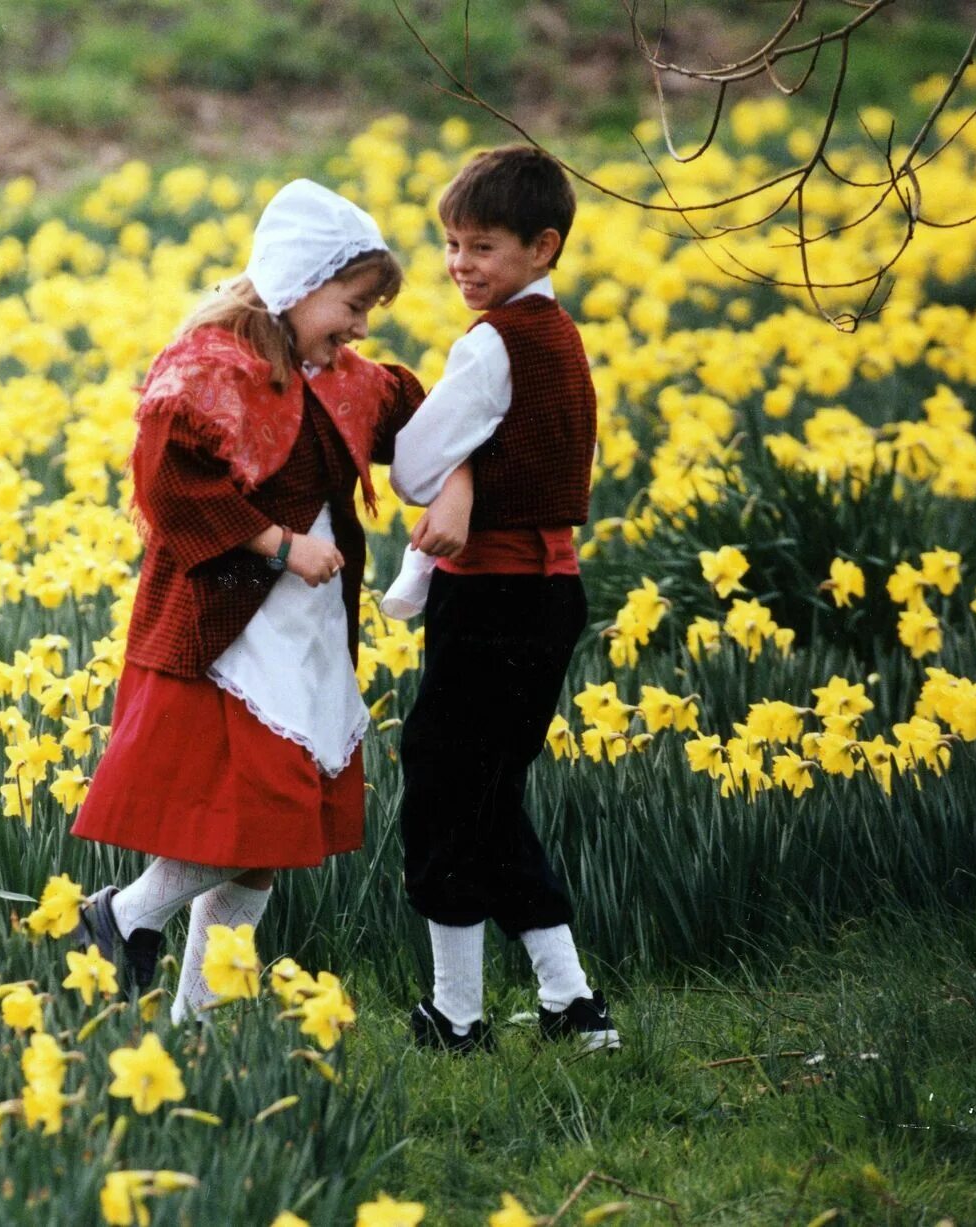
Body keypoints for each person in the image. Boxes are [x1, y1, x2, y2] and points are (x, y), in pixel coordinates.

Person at [70, 179, 423, 1025]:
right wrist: (278, 543)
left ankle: (202, 1021)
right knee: (263, 820)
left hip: (302, 630)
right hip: (226, 631)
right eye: (353, 302)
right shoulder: (209, 371)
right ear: (301, 283)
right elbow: (168, 484)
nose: (362, 326)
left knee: (267, 842)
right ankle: (123, 916)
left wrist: (458, 489)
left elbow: (421, 420)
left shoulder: (337, 376)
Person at [386, 145, 618, 1053]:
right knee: (485, 795)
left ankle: (459, 1013)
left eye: (482, 246)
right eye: (451, 243)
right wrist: (473, 472)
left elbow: (409, 463)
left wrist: (453, 477)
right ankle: (569, 1003)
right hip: (550, 595)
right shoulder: (561, 341)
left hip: (489, 599)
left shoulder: (491, 345)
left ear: (542, 247)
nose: (460, 264)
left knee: (443, 791)